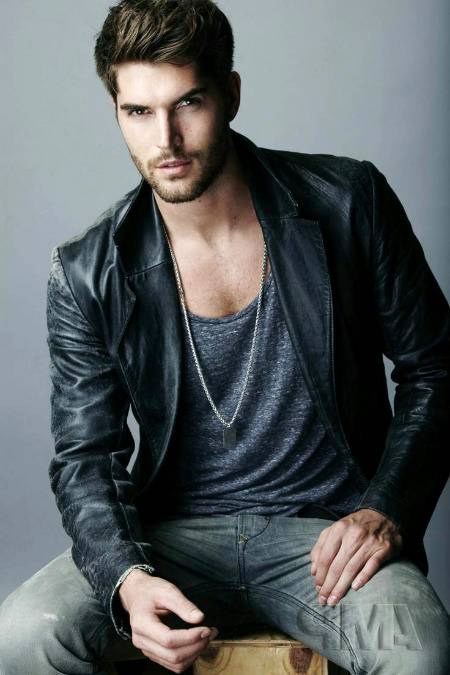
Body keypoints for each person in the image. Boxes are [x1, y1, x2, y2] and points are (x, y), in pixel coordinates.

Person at [1, 0, 449, 673]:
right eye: (138, 112)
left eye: (189, 103)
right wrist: (127, 577)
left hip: (326, 535)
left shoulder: (347, 201)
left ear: (231, 96)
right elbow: (85, 456)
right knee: (22, 635)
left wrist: (386, 509)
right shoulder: (88, 271)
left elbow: (436, 367)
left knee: (421, 651)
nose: (166, 140)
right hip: (169, 541)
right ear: (116, 112)